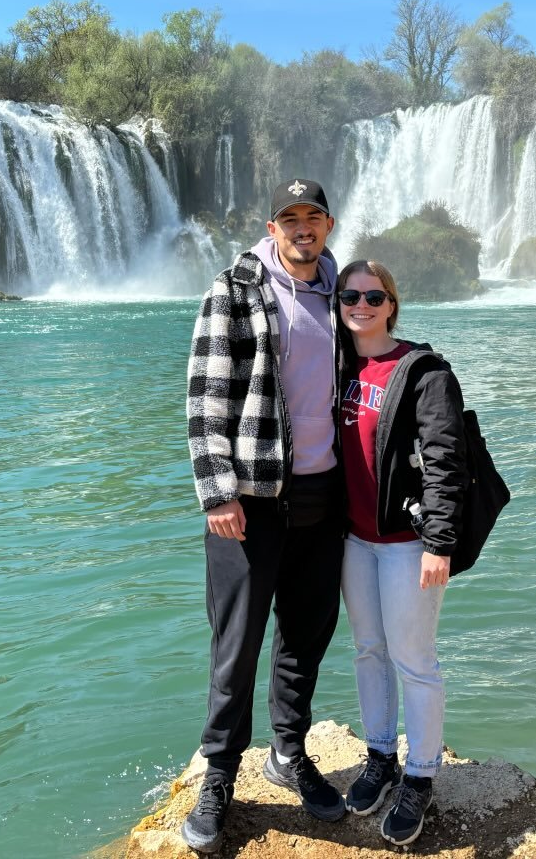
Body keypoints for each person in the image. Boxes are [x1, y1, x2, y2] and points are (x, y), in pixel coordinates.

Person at [181, 179, 348, 854]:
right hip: (250, 501)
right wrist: (217, 491)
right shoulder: (234, 288)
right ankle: (221, 773)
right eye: (290, 218)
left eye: (314, 216)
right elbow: (204, 398)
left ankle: (288, 752)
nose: (303, 227)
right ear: (272, 227)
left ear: (328, 225)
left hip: (324, 497)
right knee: (237, 643)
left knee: (306, 636)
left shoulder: (341, 289)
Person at [336, 259, 468, 847]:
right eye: (350, 296)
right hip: (353, 540)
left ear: (391, 303)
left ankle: (420, 776)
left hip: (407, 544)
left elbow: (445, 459)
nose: (361, 305)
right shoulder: (337, 364)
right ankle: (380, 756)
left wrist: (439, 543)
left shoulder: (423, 371)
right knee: (369, 650)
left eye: (373, 296)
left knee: (415, 660)